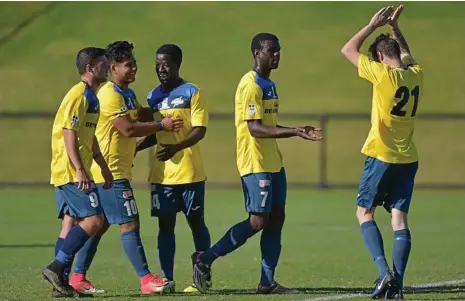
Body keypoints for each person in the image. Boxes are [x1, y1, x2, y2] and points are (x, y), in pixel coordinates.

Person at [192, 33, 323, 294]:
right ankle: (204, 259)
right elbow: (255, 129)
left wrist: (295, 130)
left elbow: (269, 126)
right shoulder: (251, 85)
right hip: (255, 163)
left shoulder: (268, 83)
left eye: (278, 50)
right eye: (270, 50)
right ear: (256, 53)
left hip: (273, 162)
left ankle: (267, 282)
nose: (276, 55)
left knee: (277, 219)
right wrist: (294, 131)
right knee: (257, 221)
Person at [70, 41, 182, 295]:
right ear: (113, 67)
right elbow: (127, 128)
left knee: (99, 226)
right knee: (130, 223)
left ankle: (76, 276)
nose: (134, 69)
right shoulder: (109, 93)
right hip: (110, 172)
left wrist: (162, 107)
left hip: (113, 172)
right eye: (128, 65)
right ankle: (146, 280)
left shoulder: (126, 94)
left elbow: (139, 114)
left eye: (135, 64)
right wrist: (162, 126)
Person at [341, 5, 423, 299]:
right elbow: (405, 54)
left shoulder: (381, 75)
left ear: (378, 57)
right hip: (408, 158)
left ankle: (383, 272)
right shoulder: (416, 74)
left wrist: (372, 24)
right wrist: (395, 28)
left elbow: (348, 49)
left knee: (364, 212)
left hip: (381, 156)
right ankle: (397, 286)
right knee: (399, 221)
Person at [137, 44, 212, 293]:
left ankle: (201, 277)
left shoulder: (192, 92)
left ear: (178, 64)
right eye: (157, 64)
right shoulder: (152, 97)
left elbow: (199, 130)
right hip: (162, 175)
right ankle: (167, 280)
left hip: (190, 172)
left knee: (196, 224)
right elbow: (155, 133)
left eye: (166, 64)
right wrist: (134, 149)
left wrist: (176, 148)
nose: (161, 69)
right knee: (165, 228)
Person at [44, 47, 113, 298]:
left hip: (70, 168)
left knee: (69, 224)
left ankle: (59, 285)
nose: (108, 67)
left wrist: (102, 166)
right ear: (90, 67)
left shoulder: (91, 97)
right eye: (104, 63)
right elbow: (68, 132)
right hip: (70, 170)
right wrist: (80, 169)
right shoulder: (80, 95)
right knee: (95, 219)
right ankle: (57, 267)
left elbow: (88, 135)